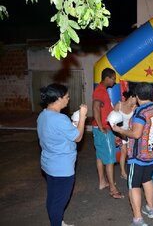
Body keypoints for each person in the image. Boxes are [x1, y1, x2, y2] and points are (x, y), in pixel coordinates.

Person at [37, 83, 88, 226]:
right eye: (66, 96)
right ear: (58, 99)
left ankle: (58, 221)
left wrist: (73, 125)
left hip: (49, 164)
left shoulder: (43, 115)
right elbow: (78, 137)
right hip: (62, 168)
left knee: (53, 197)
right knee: (59, 201)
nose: (68, 99)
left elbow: (56, 134)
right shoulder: (60, 119)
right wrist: (83, 116)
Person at [112, 82, 153, 226]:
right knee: (147, 179)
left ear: (138, 95)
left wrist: (121, 130)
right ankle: (150, 208)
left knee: (134, 185)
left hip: (139, 156)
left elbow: (136, 133)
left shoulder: (141, 112)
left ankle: (138, 219)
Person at [92, 68, 124, 199]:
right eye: (113, 78)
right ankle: (112, 188)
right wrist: (101, 127)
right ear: (107, 78)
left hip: (100, 129)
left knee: (100, 155)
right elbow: (95, 107)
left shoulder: (101, 90)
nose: (114, 81)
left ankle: (102, 182)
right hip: (102, 129)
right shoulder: (100, 90)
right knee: (110, 159)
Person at [113, 90, 137, 180]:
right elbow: (113, 119)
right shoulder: (119, 105)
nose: (137, 100)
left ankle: (130, 171)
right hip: (119, 131)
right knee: (124, 152)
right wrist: (116, 134)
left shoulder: (134, 107)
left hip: (129, 132)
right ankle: (123, 172)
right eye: (136, 98)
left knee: (129, 152)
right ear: (131, 97)